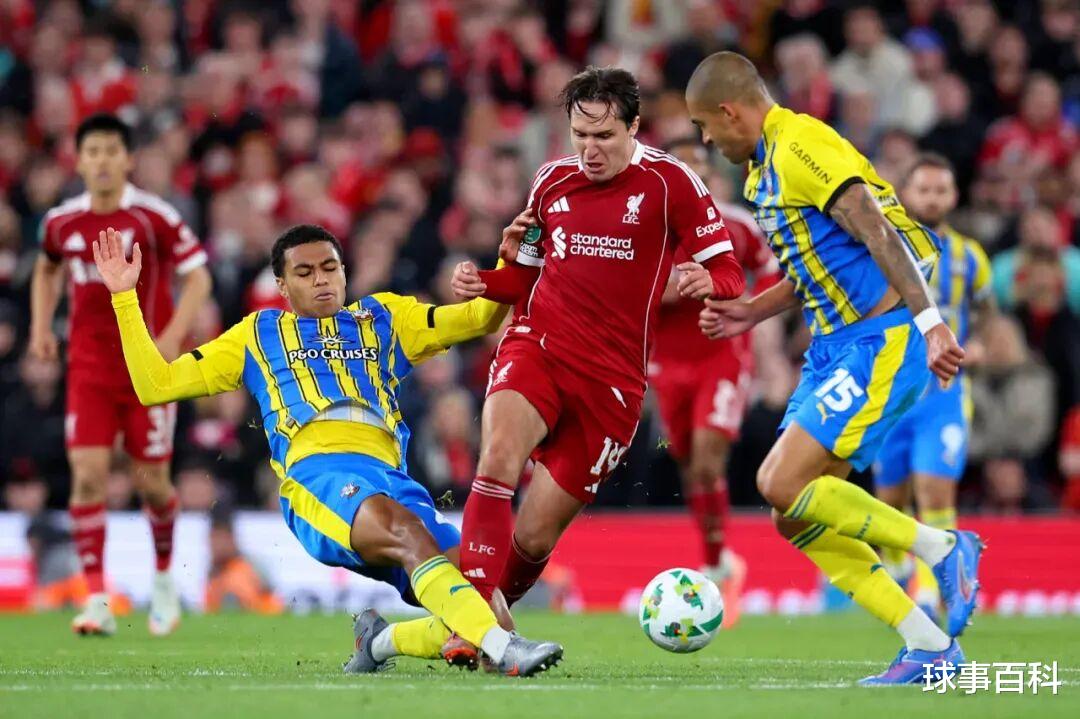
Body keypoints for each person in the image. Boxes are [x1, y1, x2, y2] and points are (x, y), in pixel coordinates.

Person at [94, 223, 562, 677]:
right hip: (319, 478)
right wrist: (123, 298)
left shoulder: (384, 317)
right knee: (409, 535)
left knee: (488, 606)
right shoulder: (256, 335)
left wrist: (513, 260)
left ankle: (381, 642)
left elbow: (481, 318)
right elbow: (155, 385)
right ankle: (506, 650)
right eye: (304, 272)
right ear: (281, 285)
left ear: (344, 270)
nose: (321, 280)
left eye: (330, 268)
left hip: (393, 480)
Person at [685, 51, 981, 685]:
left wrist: (931, 323)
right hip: (834, 349)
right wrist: (752, 312)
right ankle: (928, 644)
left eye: (705, 126)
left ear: (730, 111)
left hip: (882, 339)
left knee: (777, 481)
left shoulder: (800, 146)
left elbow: (878, 232)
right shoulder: (764, 167)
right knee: (795, 513)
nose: (706, 140)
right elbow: (818, 266)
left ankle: (941, 547)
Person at [449, 68, 744, 620]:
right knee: (497, 460)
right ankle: (470, 627)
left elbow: (730, 270)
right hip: (538, 346)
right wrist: (483, 281)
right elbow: (523, 278)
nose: (589, 150)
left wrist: (711, 281)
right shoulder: (551, 180)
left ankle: (479, 620)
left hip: (612, 384)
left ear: (634, 127)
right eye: (580, 135)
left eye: (604, 136)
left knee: (534, 536)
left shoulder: (672, 183)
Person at [29, 113, 212, 637]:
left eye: (112, 150)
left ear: (129, 159)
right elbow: (46, 268)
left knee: (152, 483)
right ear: (79, 160)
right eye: (93, 151)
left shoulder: (154, 217)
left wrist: (172, 335)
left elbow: (198, 276)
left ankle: (163, 582)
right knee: (87, 476)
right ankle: (97, 601)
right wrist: (41, 325)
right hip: (88, 372)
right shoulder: (60, 223)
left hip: (147, 373)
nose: (103, 161)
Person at [650, 137, 783, 626]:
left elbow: (772, 269)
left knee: (708, 459)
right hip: (666, 362)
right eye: (682, 168)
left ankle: (715, 564)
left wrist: (748, 311)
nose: (694, 175)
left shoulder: (735, 225)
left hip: (722, 355)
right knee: (689, 463)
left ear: (709, 177)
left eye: (700, 167)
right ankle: (719, 557)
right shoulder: (645, 231)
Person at [872, 154, 995, 622]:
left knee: (934, 490)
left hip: (944, 395)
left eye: (941, 190)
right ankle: (902, 572)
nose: (932, 198)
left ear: (954, 196)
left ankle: (929, 592)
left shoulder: (970, 257)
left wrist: (979, 345)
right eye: (923, 189)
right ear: (906, 194)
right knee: (890, 499)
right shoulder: (884, 246)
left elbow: (988, 316)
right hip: (892, 392)